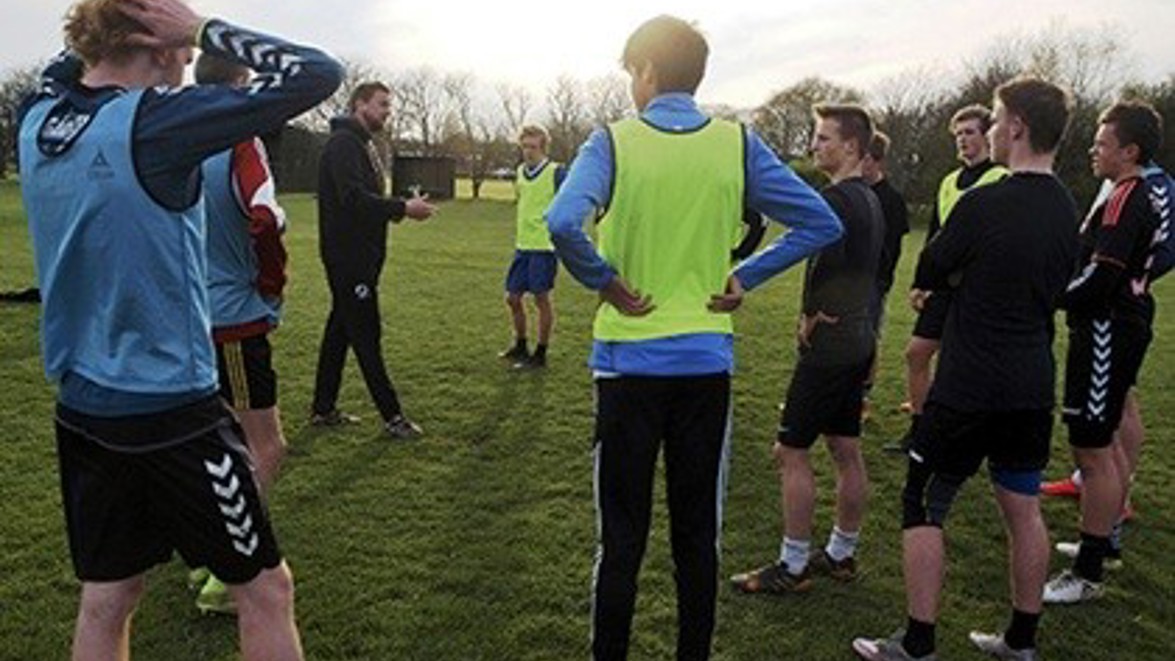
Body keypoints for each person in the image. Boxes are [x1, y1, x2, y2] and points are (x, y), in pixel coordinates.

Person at [17, 0, 342, 658]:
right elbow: (317, 73)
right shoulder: (158, 123)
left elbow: (73, 66)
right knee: (266, 590)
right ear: (155, 37)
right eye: (183, 42)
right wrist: (202, 27)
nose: (191, 59)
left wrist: (117, 24)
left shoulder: (38, 114)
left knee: (108, 597)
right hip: (171, 412)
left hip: (82, 406)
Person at [545, 15, 842, 660]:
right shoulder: (736, 143)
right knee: (696, 538)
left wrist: (604, 281)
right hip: (704, 366)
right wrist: (745, 276)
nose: (631, 87)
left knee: (621, 540)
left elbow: (563, 222)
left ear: (648, 71)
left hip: (626, 367)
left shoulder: (612, 141)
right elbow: (820, 221)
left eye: (632, 73)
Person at [852, 76, 1076, 661]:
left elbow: (931, 267)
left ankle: (918, 643)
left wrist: (963, 273)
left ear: (1017, 127)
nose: (994, 129)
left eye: (997, 119)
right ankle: (1020, 641)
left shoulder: (983, 203)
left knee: (923, 504)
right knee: (1023, 510)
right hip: (1032, 386)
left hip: (970, 386)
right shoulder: (1067, 208)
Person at [730, 104, 882, 594]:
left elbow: (829, 262)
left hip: (831, 343)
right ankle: (841, 553)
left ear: (851, 147)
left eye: (823, 138)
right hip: (859, 337)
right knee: (844, 447)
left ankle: (793, 566)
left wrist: (814, 312)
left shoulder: (836, 199)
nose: (814, 145)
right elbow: (872, 273)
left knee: (790, 450)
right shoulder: (871, 198)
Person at [1043, 100, 1165, 605]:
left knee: (1092, 449)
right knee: (1104, 444)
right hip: (1116, 325)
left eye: (1101, 143)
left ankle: (1088, 573)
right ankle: (1101, 542)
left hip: (1106, 329)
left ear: (1129, 151)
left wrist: (1050, 297)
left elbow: (1103, 274)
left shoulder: (1126, 197)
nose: (1093, 151)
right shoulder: (1130, 194)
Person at [190, 51, 291, 615]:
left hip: (190, 316)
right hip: (234, 317)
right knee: (265, 445)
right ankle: (227, 576)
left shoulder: (179, 138)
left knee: (218, 439)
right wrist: (272, 285)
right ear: (239, 83)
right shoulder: (239, 141)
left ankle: (203, 554)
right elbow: (265, 217)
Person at [310, 81, 436, 438]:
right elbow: (352, 199)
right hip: (349, 259)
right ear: (359, 104)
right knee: (367, 334)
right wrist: (402, 209)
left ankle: (323, 408)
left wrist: (397, 208)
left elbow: (364, 200)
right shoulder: (343, 145)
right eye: (382, 105)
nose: (387, 112)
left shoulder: (361, 144)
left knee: (340, 330)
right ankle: (393, 417)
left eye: (388, 106)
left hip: (362, 257)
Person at [889, 105, 1009, 452]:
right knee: (916, 354)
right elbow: (935, 236)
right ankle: (920, 430)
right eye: (958, 134)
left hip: (978, 290)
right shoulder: (948, 181)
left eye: (969, 132)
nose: (962, 140)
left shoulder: (1002, 179)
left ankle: (968, 436)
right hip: (943, 287)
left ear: (987, 134)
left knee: (966, 365)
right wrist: (921, 282)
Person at [498, 124, 566, 369]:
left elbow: (569, 203)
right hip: (523, 246)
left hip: (544, 247)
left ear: (543, 148)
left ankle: (540, 353)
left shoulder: (556, 172)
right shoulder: (520, 171)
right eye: (524, 146)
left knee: (541, 299)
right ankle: (520, 345)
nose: (528, 151)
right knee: (513, 298)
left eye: (533, 147)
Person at [860, 130, 910, 418]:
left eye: (863, 157)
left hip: (873, 282)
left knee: (867, 338)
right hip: (844, 280)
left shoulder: (891, 200)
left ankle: (861, 399)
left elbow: (892, 249)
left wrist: (880, 282)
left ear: (875, 160)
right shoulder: (853, 192)